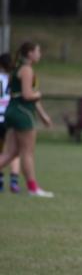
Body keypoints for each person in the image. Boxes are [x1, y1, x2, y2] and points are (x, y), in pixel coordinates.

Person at [0, 42, 53, 197]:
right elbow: (28, 95)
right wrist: (39, 94)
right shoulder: (27, 70)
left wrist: (43, 116)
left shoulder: (17, 68)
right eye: (38, 51)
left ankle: (32, 187)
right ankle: (33, 188)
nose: (39, 54)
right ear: (30, 53)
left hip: (11, 111)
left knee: (11, 153)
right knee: (27, 153)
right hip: (22, 113)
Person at [0, 52, 21, 193]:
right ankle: (14, 181)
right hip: (11, 117)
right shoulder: (14, 78)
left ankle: (0, 181)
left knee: (2, 151)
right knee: (13, 151)